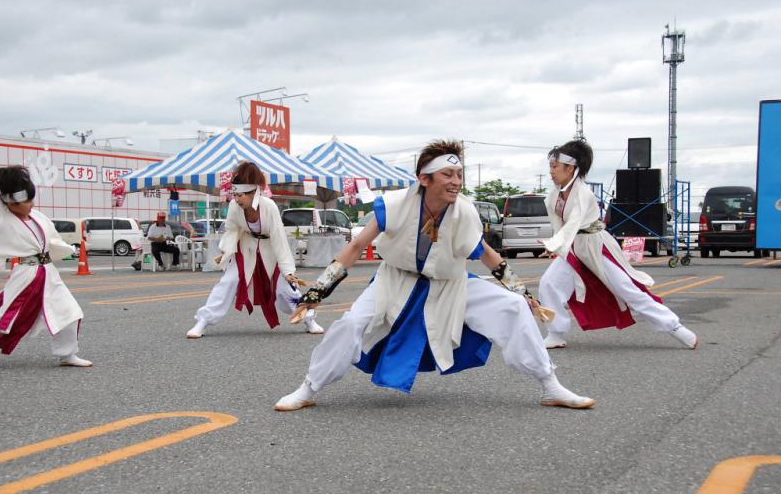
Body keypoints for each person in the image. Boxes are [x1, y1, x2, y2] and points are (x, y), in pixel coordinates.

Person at [274, 140, 595, 412]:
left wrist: (522, 293)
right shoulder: (395, 205)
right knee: (351, 324)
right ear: (425, 179)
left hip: (449, 284)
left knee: (513, 308)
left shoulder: (465, 211)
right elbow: (357, 245)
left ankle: (550, 386)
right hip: (394, 281)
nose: (456, 181)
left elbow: (486, 254)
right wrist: (319, 291)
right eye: (448, 174)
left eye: (459, 174)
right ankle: (308, 388)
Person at [536, 140, 698, 349]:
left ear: (571, 168)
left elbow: (573, 224)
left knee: (626, 288)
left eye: (555, 166)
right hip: (574, 247)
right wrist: (556, 246)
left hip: (596, 245)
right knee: (549, 283)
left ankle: (676, 328)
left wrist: (555, 243)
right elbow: (559, 227)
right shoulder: (552, 196)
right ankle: (556, 333)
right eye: (550, 166)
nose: (551, 171)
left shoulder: (583, 193)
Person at [186, 161, 323, 338]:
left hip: (271, 250)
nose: (236, 199)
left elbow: (279, 238)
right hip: (246, 248)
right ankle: (202, 321)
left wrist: (288, 270)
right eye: (234, 195)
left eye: (240, 195)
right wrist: (226, 250)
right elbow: (232, 229)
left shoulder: (269, 207)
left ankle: (309, 319)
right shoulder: (235, 206)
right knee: (228, 282)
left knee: (285, 288)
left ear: (254, 193)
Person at [0, 165, 91, 367]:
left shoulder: (37, 217)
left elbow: (51, 240)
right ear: (11, 203)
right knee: (5, 320)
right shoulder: (2, 225)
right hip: (27, 275)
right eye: (27, 200)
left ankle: (67, 354)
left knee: (69, 311)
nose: (32, 204)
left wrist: (68, 249)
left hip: (48, 273)